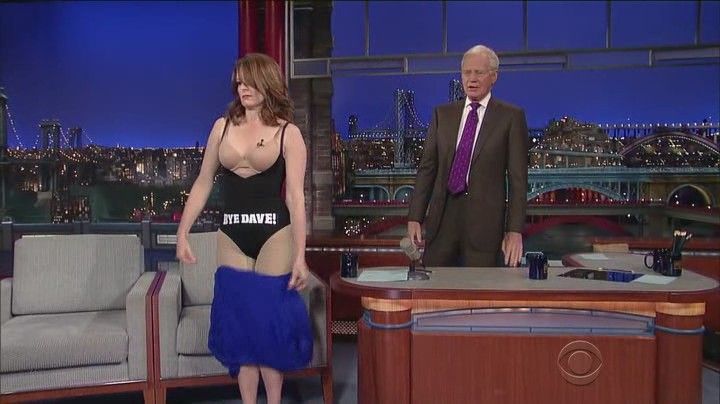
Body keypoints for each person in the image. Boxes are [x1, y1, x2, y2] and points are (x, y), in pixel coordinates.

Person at [175, 53, 312, 404]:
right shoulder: (221, 127)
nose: (243, 88)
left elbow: (296, 198)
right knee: (240, 324)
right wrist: (183, 232)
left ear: (267, 83)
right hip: (232, 235)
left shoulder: (289, 133)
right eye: (239, 82)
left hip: (274, 235)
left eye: (249, 82)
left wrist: (300, 255)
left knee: (266, 324)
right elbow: (203, 181)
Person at [407, 44, 528, 267]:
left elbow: (518, 180)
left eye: (479, 72)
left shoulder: (511, 117)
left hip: (485, 227)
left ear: (494, 76)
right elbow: (427, 169)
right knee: (435, 284)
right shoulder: (442, 115)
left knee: (479, 286)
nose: (472, 79)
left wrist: (514, 230)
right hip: (442, 222)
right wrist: (415, 216)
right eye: (467, 72)